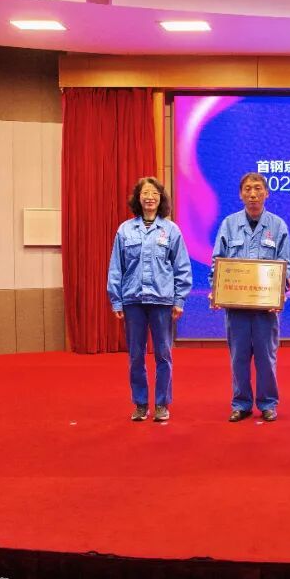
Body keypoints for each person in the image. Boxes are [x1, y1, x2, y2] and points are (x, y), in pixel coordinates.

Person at [107, 176, 193, 423]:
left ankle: (162, 403)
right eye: (145, 193)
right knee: (135, 355)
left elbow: (182, 267)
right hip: (132, 300)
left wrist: (179, 300)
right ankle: (141, 403)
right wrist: (116, 300)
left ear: (161, 199)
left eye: (154, 193)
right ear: (138, 198)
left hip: (162, 301)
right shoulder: (125, 230)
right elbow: (116, 267)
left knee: (163, 354)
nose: (150, 197)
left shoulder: (171, 230)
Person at [212, 173, 290, 423]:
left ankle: (268, 403)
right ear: (240, 194)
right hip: (236, 307)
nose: (253, 194)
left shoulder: (277, 225)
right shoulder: (229, 224)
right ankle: (241, 403)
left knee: (266, 357)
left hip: (265, 309)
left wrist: (279, 292)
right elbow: (218, 262)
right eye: (248, 189)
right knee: (238, 357)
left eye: (258, 188)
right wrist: (217, 289)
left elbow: (286, 265)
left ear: (267, 193)